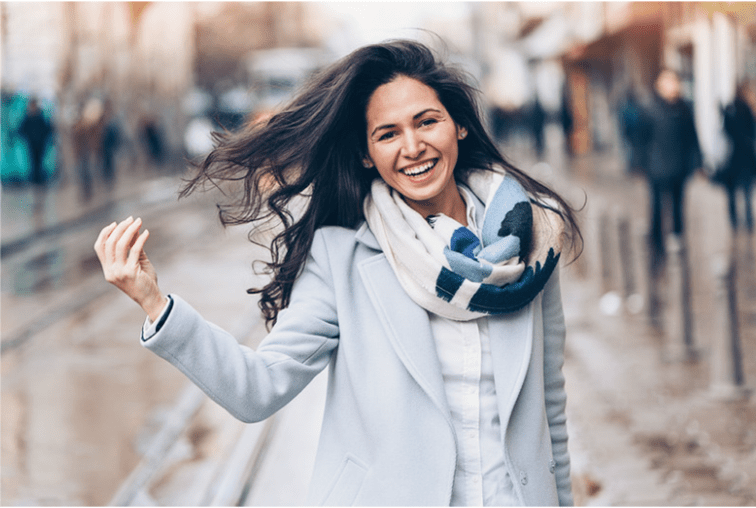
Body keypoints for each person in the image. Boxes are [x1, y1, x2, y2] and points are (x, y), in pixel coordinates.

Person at [95, 40, 582, 506]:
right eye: (387, 134)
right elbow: (256, 390)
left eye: (426, 121)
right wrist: (156, 304)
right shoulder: (341, 257)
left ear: (458, 126)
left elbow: (549, 410)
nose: (412, 146)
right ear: (368, 155)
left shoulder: (531, 242)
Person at [643, 69, 702, 255]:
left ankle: (678, 238)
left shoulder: (684, 108)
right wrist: (642, 164)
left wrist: (697, 161)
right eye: (668, 82)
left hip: (679, 167)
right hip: (657, 168)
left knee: (678, 206)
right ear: (659, 85)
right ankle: (656, 243)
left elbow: (692, 137)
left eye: (675, 81)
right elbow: (641, 139)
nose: (673, 86)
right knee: (657, 207)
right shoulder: (650, 109)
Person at [718, 82, 756, 232]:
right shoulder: (747, 110)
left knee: (733, 191)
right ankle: (748, 221)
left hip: (733, 157)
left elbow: (726, 131)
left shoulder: (730, 108)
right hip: (745, 158)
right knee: (746, 191)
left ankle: (734, 219)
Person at [18, 97, 53, 186]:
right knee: (33, 161)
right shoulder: (28, 117)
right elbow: (21, 129)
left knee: (39, 161)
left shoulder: (40, 116)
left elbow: (48, 129)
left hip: (40, 144)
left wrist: (44, 139)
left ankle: (39, 178)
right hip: (31, 144)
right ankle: (35, 178)